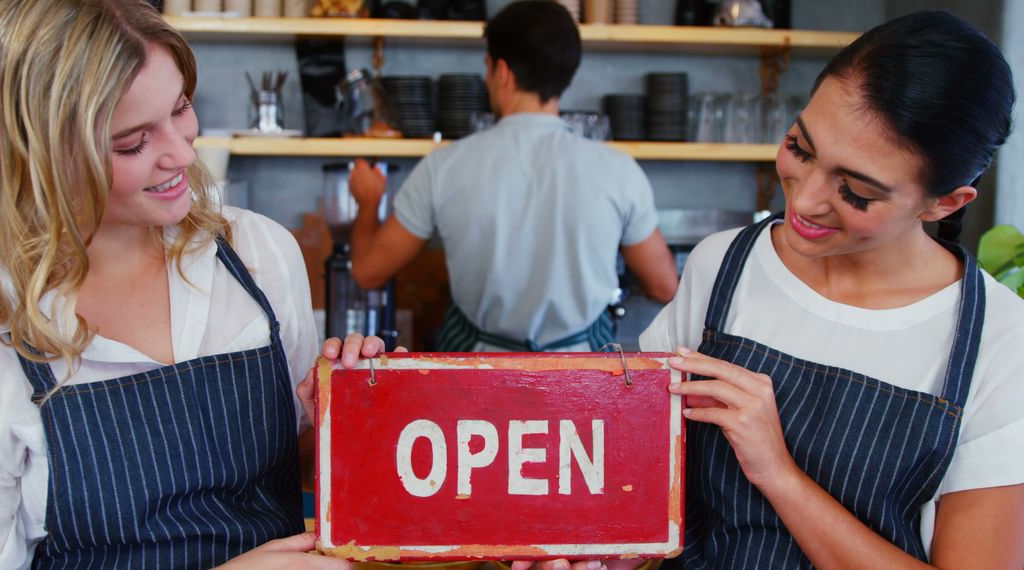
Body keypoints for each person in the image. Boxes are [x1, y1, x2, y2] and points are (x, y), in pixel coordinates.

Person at [0, 1, 350, 568]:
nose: (184, 152)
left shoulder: (257, 254)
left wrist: (360, 415)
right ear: (35, 156)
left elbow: (305, 463)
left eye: (182, 108)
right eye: (132, 142)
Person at [640, 10, 1024, 568]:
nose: (805, 200)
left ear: (945, 202)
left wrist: (778, 473)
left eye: (856, 192)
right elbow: (637, 464)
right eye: (800, 147)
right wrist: (607, 547)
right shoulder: (722, 264)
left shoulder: (1001, 344)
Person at [347, 0, 678, 352]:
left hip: (476, 381)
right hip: (584, 378)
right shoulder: (619, 170)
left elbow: (369, 272)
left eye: (487, 67)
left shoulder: (443, 167)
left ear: (501, 71)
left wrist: (368, 203)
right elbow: (664, 286)